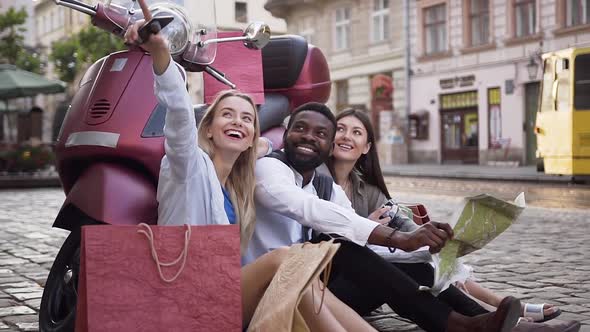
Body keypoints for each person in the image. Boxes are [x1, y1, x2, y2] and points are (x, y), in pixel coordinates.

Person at [123, 20, 378, 331]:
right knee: (286, 260)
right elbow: (177, 114)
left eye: (247, 119)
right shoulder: (186, 167)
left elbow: (261, 145)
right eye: (227, 115)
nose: (238, 122)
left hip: (226, 297)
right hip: (184, 296)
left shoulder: (238, 187)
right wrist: (161, 52)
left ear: (251, 137)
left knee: (305, 284)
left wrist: (261, 144)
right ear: (208, 129)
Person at [245, 102, 523, 332]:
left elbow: (365, 243)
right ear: (286, 133)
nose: (308, 136)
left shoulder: (325, 185)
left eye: (320, 133)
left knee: (408, 265)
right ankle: (459, 325)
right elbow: (308, 209)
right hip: (267, 294)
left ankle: (479, 322)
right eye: (300, 129)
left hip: (315, 292)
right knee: (336, 242)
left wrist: (430, 247)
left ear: (329, 145)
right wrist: (401, 239)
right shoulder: (269, 167)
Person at [326, 108, 578, 332]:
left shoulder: (368, 190)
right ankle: (495, 323)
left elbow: (410, 228)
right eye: (340, 129)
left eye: (356, 132)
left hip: (368, 282)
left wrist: (439, 246)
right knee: (402, 266)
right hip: (329, 291)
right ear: (329, 137)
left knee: (421, 265)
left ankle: (504, 325)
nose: (347, 136)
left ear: (367, 146)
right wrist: (367, 228)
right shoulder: (317, 180)